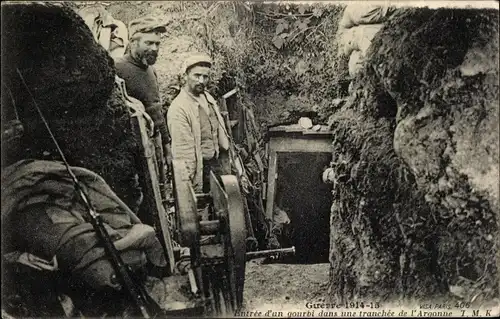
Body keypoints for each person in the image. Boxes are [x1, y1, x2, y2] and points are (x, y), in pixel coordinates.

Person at [167, 54, 230, 193]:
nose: (201, 80)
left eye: (205, 76)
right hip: (198, 170)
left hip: (214, 162)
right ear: (185, 76)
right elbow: (183, 154)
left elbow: (220, 131)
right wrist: (189, 187)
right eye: (196, 76)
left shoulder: (208, 98)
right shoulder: (179, 108)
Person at [115, 16, 170, 153]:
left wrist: (167, 146)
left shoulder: (151, 70)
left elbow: (157, 110)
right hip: (135, 149)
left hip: (155, 145)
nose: (155, 48)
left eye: (157, 44)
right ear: (133, 43)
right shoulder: (117, 68)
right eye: (149, 43)